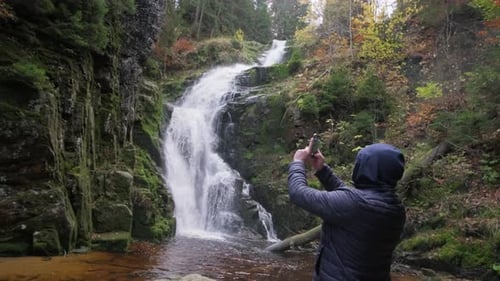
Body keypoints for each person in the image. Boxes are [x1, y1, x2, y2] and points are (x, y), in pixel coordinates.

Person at [288, 140, 406, 281]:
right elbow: (350, 200)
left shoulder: (354, 203)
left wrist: (297, 162)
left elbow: (297, 193)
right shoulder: (396, 209)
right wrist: (322, 170)